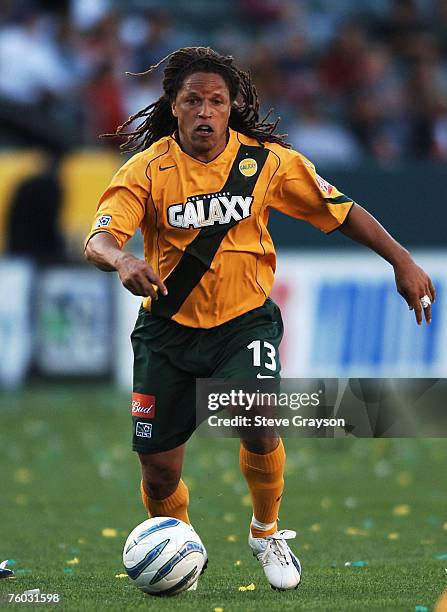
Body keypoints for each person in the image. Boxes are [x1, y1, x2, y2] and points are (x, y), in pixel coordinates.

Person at [84, 46, 435, 592]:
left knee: (256, 415)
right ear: (173, 108)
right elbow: (100, 238)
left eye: (216, 101)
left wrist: (403, 260)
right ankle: (181, 549)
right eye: (193, 100)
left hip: (244, 323)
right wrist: (122, 258)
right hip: (166, 333)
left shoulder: (266, 164)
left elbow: (340, 210)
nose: (205, 111)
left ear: (232, 107)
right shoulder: (147, 171)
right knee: (158, 469)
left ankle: (266, 530)